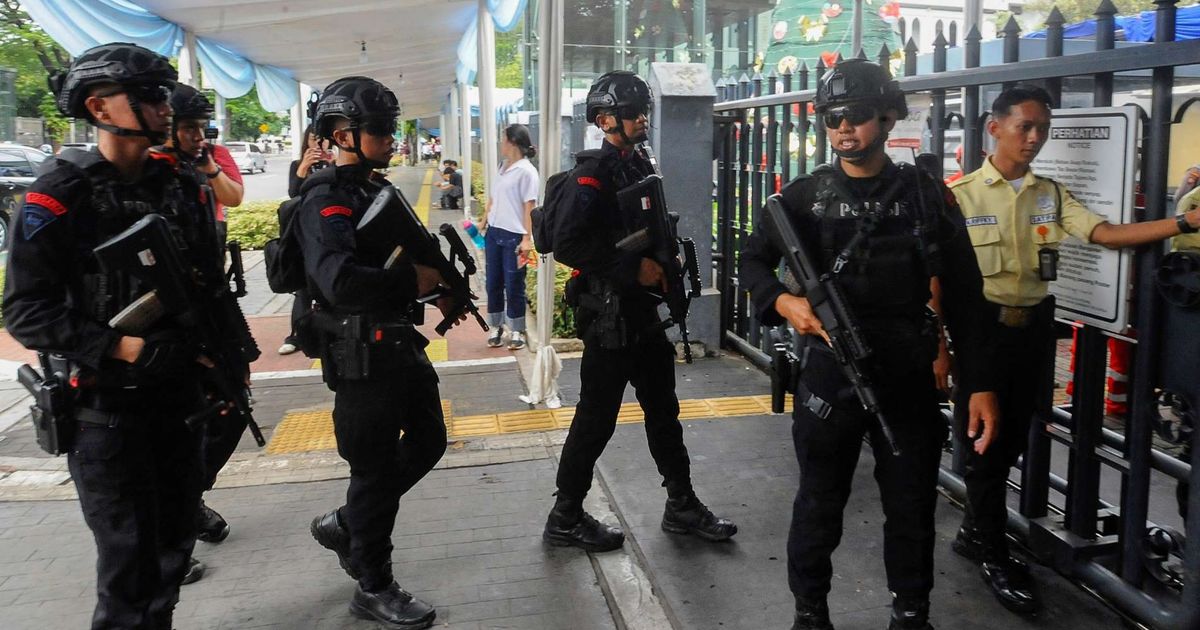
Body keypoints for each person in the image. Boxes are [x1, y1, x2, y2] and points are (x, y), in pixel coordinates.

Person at [740, 59, 1001, 630]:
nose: (843, 129)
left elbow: (966, 295)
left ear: (887, 117)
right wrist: (788, 305)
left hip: (906, 371)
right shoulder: (803, 199)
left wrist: (979, 383)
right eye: (832, 118)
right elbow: (753, 262)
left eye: (856, 116)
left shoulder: (927, 198)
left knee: (911, 507)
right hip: (830, 374)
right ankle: (810, 614)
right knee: (818, 504)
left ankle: (911, 613)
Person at [3, 42, 239, 629]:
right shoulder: (57, 193)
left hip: (179, 401)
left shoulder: (179, 184)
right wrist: (120, 345)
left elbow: (206, 286)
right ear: (101, 109)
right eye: (148, 96)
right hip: (107, 413)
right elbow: (26, 312)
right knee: (129, 568)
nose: (164, 107)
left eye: (163, 94)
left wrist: (220, 365)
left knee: (173, 548)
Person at [946, 84, 1200, 617]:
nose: (1035, 138)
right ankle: (991, 551)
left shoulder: (1050, 194)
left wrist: (1182, 223)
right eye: (1025, 127)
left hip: (1034, 331)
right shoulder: (960, 195)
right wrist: (942, 348)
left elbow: (1105, 233)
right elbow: (935, 276)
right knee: (984, 445)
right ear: (995, 129)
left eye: (1043, 128)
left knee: (1015, 433)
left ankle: (976, 531)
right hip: (981, 334)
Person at [544, 70, 738, 555]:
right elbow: (567, 242)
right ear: (605, 119)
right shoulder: (593, 174)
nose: (642, 120)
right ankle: (565, 515)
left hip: (641, 315)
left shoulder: (637, 164)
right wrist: (634, 268)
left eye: (643, 111)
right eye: (633, 113)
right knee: (596, 420)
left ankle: (682, 504)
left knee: (663, 412)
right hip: (611, 318)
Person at [301, 76, 456, 630]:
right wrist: (411, 280)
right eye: (381, 130)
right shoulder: (326, 199)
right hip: (358, 355)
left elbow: (402, 259)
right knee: (371, 471)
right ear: (343, 134)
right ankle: (373, 583)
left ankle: (347, 524)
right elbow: (338, 280)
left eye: (392, 129)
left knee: (430, 441)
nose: (393, 139)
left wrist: (442, 286)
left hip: (397, 346)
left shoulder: (373, 191)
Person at [160, 83, 249, 563]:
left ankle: (187, 497)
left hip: (209, 303)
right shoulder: (142, 179)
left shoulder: (206, 163)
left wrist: (207, 164)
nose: (197, 136)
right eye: (187, 127)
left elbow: (233, 197)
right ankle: (172, 523)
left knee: (233, 405)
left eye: (201, 127)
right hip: (160, 330)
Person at [482, 124, 538, 350]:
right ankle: (496, 326)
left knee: (514, 283)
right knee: (493, 283)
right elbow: (493, 198)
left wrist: (527, 239)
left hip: (515, 237)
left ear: (512, 142)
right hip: (494, 234)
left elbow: (530, 207)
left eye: (502, 139)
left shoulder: (527, 171)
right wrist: (483, 221)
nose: (500, 143)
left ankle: (517, 329)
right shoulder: (501, 167)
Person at [278, 125, 332, 356]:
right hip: (303, 233)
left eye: (322, 140)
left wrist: (332, 166)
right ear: (306, 141)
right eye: (313, 139)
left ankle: (326, 330)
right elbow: (293, 193)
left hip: (328, 232)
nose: (318, 145)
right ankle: (296, 335)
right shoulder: (298, 164)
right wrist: (304, 166)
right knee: (303, 288)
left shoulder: (336, 163)